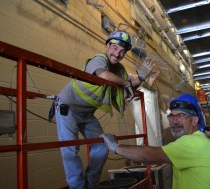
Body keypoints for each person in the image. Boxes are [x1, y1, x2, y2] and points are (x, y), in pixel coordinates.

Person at [54, 30, 154, 189]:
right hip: (68, 108)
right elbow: (103, 76)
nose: (118, 54)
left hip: (87, 114)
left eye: (122, 51)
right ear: (107, 46)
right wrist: (127, 83)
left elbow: (128, 85)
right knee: (70, 150)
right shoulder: (98, 60)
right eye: (114, 48)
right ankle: (77, 187)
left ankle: (91, 184)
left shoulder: (119, 70)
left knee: (101, 146)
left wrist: (140, 78)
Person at [101, 93, 210, 189]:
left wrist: (115, 147)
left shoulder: (193, 143)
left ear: (195, 120)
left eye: (180, 116)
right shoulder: (198, 140)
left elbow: (151, 155)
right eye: (171, 116)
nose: (174, 121)